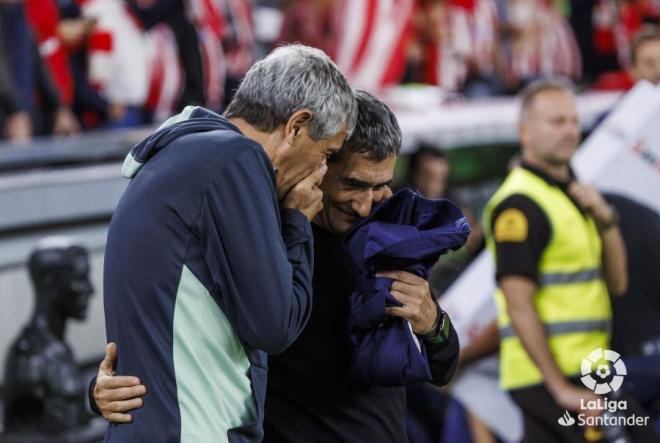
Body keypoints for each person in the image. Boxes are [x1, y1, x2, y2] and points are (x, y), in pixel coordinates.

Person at [92, 90, 460, 442]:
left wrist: (432, 323)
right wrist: (99, 393)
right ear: (320, 160)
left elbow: (442, 367)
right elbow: (182, 330)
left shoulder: (390, 241)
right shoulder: (259, 234)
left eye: (381, 186)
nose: (365, 204)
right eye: (352, 184)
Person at [98, 44, 356, 443]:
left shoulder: (177, 153)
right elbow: (275, 325)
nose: (321, 172)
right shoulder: (236, 159)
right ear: (296, 126)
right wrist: (296, 221)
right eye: (326, 153)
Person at [482, 77, 632, 442]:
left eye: (573, 121)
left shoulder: (571, 194)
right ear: (525, 132)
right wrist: (559, 389)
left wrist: (605, 219)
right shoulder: (519, 204)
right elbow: (518, 304)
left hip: (587, 370)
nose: (570, 131)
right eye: (556, 122)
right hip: (550, 377)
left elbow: (618, 284)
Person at [3, 237, 93, 433]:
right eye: (79, 279)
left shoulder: (59, 348)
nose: (91, 290)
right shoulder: (29, 361)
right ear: (49, 282)